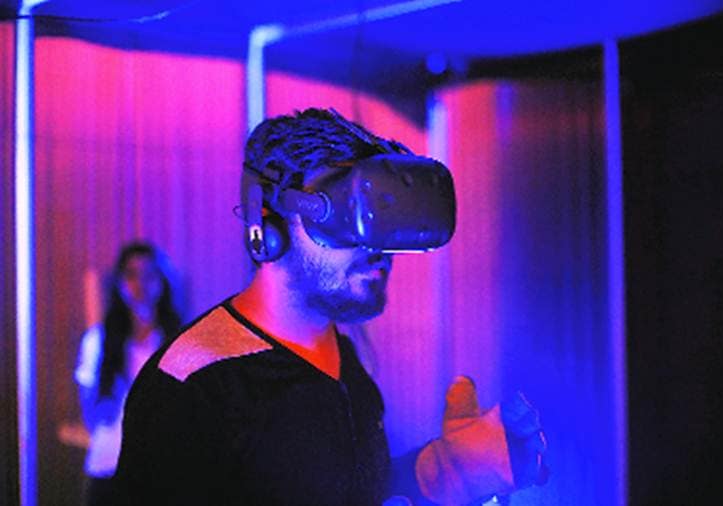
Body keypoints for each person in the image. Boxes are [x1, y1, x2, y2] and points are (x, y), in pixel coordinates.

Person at [114, 108, 547, 505]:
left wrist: (443, 473)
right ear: (267, 223)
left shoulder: (345, 362)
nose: (374, 248)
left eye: (380, 216)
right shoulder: (194, 386)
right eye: (346, 215)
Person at [74, 241, 182, 506]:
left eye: (149, 275)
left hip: (162, 470)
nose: (140, 284)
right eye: (131, 275)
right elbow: (89, 413)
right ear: (119, 282)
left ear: (162, 281)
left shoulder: (178, 342)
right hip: (108, 465)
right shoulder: (98, 341)